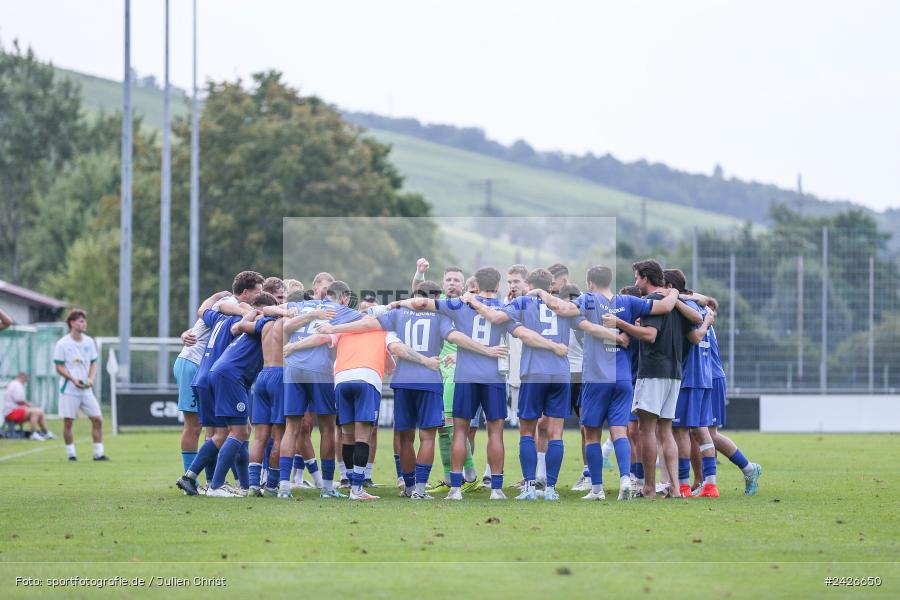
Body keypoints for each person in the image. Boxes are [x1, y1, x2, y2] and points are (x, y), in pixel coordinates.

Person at [318, 279, 508, 499]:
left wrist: (334, 328)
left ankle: (408, 487)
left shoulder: (398, 314)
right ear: (435, 298)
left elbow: (366, 325)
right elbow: (456, 337)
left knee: (405, 438)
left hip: (402, 381)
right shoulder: (440, 315)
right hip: (429, 380)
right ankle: (419, 490)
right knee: (427, 438)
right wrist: (486, 350)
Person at [614, 260, 702, 499]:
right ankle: (675, 488)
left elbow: (651, 336)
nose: (635, 283)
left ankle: (650, 488)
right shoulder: (675, 302)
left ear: (645, 278)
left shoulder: (653, 302)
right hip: (674, 373)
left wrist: (622, 324)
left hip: (653, 371)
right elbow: (696, 320)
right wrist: (676, 294)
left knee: (646, 430)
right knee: (666, 431)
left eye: (636, 278)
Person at [280, 280, 361, 499]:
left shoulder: (306, 306)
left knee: (291, 427)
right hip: (318, 370)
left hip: (292, 368)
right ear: (343, 297)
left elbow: (285, 327)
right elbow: (328, 335)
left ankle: (284, 487)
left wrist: (294, 344)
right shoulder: (339, 310)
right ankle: (326, 487)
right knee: (327, 427)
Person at [204, 292, 279, 497]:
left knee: (243, 429)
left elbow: (235, 325)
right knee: (238, 432)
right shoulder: (266, 321)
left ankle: (244, 486)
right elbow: (237, 324)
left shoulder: (251, 322)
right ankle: (216, 486)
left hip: (224, 373)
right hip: (231, 376)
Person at [663, 269, 720, 498]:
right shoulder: (699, 306)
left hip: (689, 377)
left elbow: (695, 337)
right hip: (705, 376)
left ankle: (685, 485)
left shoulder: (683, 309)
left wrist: (703, 323)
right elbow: (710, 303)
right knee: (701, 431)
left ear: (669, 286)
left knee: (680, 431)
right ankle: (710, 484)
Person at [704, 297, 762, 495]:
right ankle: (704, 483)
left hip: (710, 378)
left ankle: (748, 468)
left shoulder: (699, 317)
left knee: (709, 433)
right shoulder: (700, 316)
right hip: (704, 378)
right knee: (696, 432)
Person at [53, 309, 107, 461]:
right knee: (68, 422)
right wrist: (72, 379)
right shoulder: (62, 343)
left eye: (84, 320)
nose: (84, 324)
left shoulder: (89, 341)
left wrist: (90, 379)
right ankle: (71, 454)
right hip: (69, 389)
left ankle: (99, 453)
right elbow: (59, 366)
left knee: (97, 419)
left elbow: (93, 363)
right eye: (80, 321)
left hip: (86, 389)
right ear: (72, 323)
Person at [4, 373, 54, 440]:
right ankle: (33, 433)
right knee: (35, 412)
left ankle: (45, 432)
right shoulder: (17, 385)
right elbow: (19, 400)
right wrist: (28, 404)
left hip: (14, 410)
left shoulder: (14, 384)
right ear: (22, 377)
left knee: (39, 411)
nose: (25, 382)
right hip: (11, 412)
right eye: (25, 380)